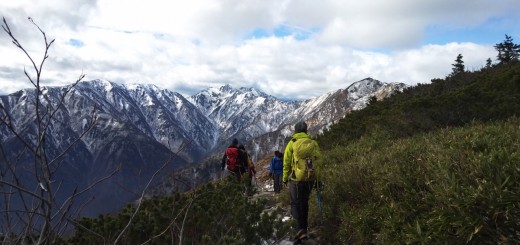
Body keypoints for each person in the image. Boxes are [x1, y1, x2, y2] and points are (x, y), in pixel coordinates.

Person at [283, 121, 322, 242]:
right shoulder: (313, 143)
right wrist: (318, 180)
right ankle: (304, 229)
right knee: (304, 203)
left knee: (295, 203)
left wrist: (284, 178)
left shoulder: (292, 143)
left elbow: (287, 162)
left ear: (295, 131)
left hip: (296, 179)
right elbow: (318, 163)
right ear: (306, 130)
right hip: (310, 178)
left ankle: (299, 230)